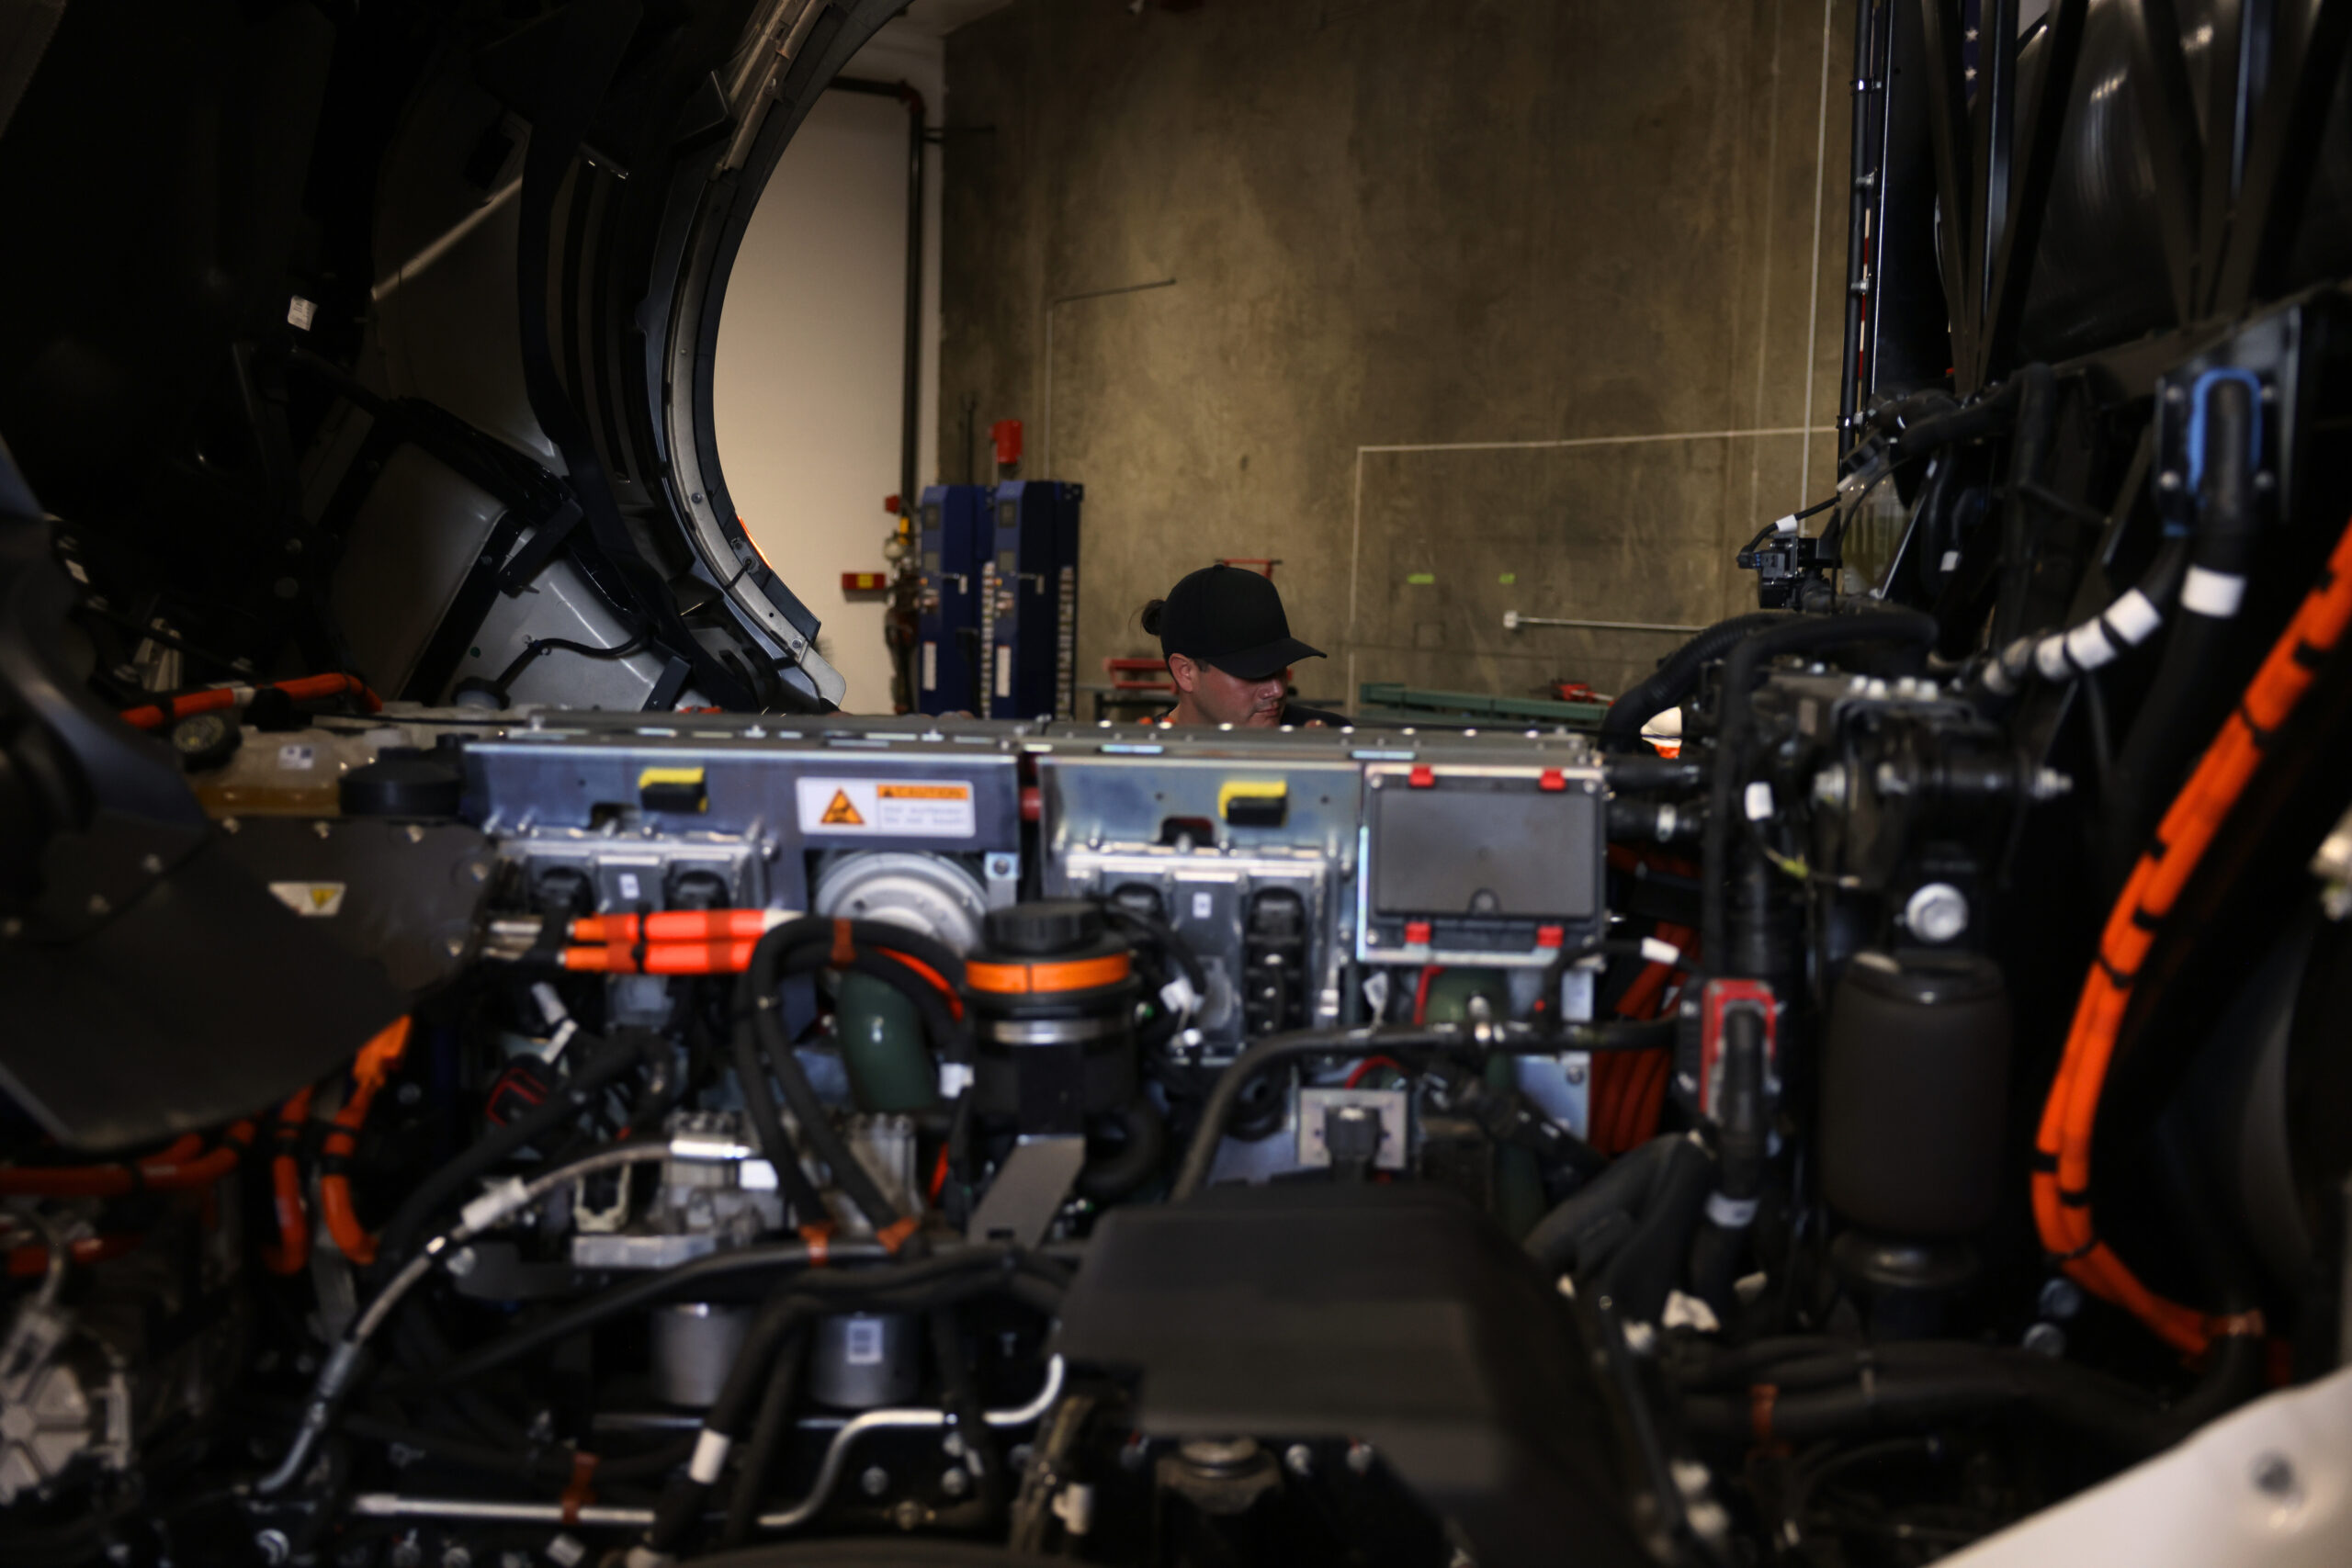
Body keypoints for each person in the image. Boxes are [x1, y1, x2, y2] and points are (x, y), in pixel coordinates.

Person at [1139, 564, 1347, 728]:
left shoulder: (1328, 740)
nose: (1277, 689)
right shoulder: (1139, 766)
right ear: (1186, 672)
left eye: (1280, 668)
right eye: (1255, 672)